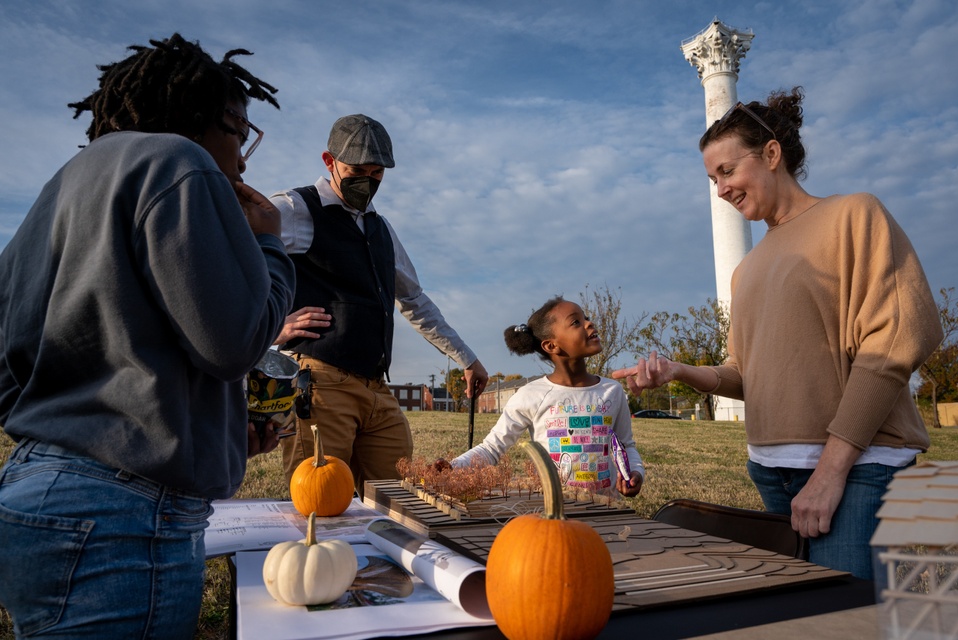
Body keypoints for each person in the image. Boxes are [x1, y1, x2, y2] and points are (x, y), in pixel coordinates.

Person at [0, 34, 295, 638]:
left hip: (34, 494)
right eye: (240, 133)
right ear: (200, 117)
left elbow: (11, 372)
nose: (241, 159)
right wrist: (270, 242)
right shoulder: (180, 163)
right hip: (124, 520)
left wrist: (192, 429)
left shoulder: (62, 187)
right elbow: (236, 342)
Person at [613, 87, 942, 580]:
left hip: (858, 468)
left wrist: (832, 471)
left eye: (727, 171)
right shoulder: (746, 270)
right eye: (711, 179)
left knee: (840, 621)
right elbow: (747, 374)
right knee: (796, 617)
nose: (720, 189)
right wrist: (679, 371)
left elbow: (896, 341)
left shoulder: (854, 215)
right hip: (770, 469)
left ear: (771, 154)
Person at [270, 114, 489, 496]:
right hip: (321, 383)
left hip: (376, 388)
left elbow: (415, 300)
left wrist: (466, 358)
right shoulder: (295, 208)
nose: (366, 181)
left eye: (376, 172)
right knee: (319, 502)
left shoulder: (381, 229)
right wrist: (272, 329)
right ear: (329, 160)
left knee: (398, 500)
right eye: (356, 169)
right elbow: (231, 256)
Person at [442, 297, 644, 498]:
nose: (589, 323)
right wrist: (452, 467)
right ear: (551, 346)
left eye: (586, 318)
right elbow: (492, 448)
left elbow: (626, 446)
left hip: (606, 513)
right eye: (576, 322)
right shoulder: (531, 395)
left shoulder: (613, 391)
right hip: (551, 514)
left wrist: (635, 473)